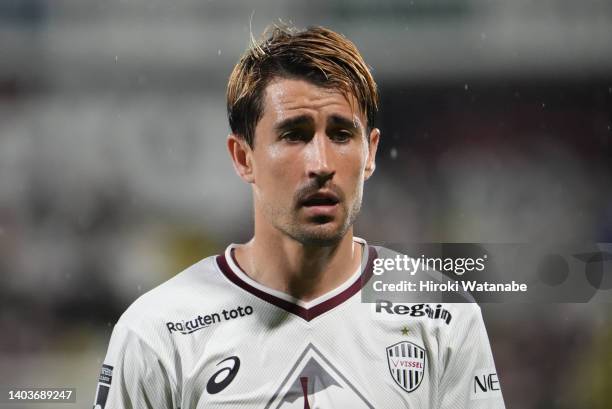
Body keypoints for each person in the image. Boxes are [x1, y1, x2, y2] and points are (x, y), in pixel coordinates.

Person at [93, 25, 505, 408]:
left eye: (341, 135)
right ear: (243, 157)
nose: (321, 163)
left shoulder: (443, 315)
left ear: (371, 153)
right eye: (294, 134)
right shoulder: (159, 330)